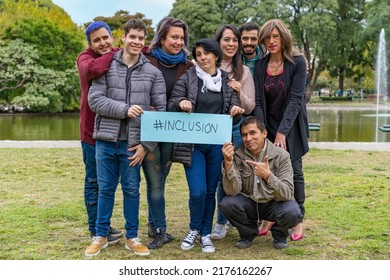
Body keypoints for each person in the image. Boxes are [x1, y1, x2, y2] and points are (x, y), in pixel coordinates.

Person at [84, 19, 166, 257]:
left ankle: (132, 236)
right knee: (105, 189)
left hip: (133, 145)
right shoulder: (106, 65)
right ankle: (100, 236)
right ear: (123, 37)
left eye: (141, 38)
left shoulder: (153, 73)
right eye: (133, 37)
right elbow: (95, 100)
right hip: (105, 140)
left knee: (132, 190)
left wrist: (146, 145)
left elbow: (160, 113)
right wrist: (125, 109)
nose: (137, 42)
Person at [167, 38, 244, 253]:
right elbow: (172, 101)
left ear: (216, 56)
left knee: (210, 191)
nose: (202, 58)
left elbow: (234, 107)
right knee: (198, 191)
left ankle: (205, 233)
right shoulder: (189, 77)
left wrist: (235, 111)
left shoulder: (227, 80)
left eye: (206, 53)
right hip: (193, 146)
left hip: (217, 146)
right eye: (198, 54)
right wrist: (180, 103)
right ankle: (194, 229)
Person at [253, 19, 309, 241]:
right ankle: (270, 216)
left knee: (294, 173)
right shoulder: (260, 65)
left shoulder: (297, 62)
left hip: (290, 127)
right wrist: (263, 130)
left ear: (284, 37)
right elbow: (258, 100)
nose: (271, 41)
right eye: (267, 37)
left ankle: (297, 220)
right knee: (269, 172)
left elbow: (296, 100)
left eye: (275, 36)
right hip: (268, 125)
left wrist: (282, 133)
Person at [141, 17, 193, 249]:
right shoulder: (147, 61)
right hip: (150, 130)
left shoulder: (189, 66)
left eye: (182, 38)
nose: (179, 41)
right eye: (174, 37)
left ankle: (154, 224)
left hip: (173, 132)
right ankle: (161, 229)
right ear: (162, 37)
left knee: (161, 180)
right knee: (154, 181)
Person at [220, 116, 303, 249]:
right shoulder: (237, 155)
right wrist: (228, 163)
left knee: (293, 211)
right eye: (244, 135)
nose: (248, 139)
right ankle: (248, 234)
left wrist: (268, 176)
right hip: (250, 203)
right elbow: (232, 191)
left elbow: (287, 193)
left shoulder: (282, 155)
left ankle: (280, 235)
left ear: (264, 133)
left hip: (275, 204)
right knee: (227, 204)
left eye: (253, 133)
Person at [76, 21, 123, 244]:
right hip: (90, 132)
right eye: (97, 40)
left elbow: (144, 50)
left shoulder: (117, 52)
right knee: (94, 181)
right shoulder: (84, 58)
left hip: (115, 130)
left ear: (112, 37)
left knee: (112, 183)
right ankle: (96, 229)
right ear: (90, 44)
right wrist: (117, 54)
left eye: (106, 38)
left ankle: (103, 225)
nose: (103, 43)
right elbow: (93, 70)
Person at [210, 24, 255, 240]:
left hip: (234, 128)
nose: (231, 44)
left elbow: (250, 107)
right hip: (209, 128)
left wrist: (238, 90)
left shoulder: (243, 71)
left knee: (227, 174)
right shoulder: (206, 65)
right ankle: (202, 223)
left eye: (234, 40)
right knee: (210, 175)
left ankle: (222, 221)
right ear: (218, 42)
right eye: (226, 40)